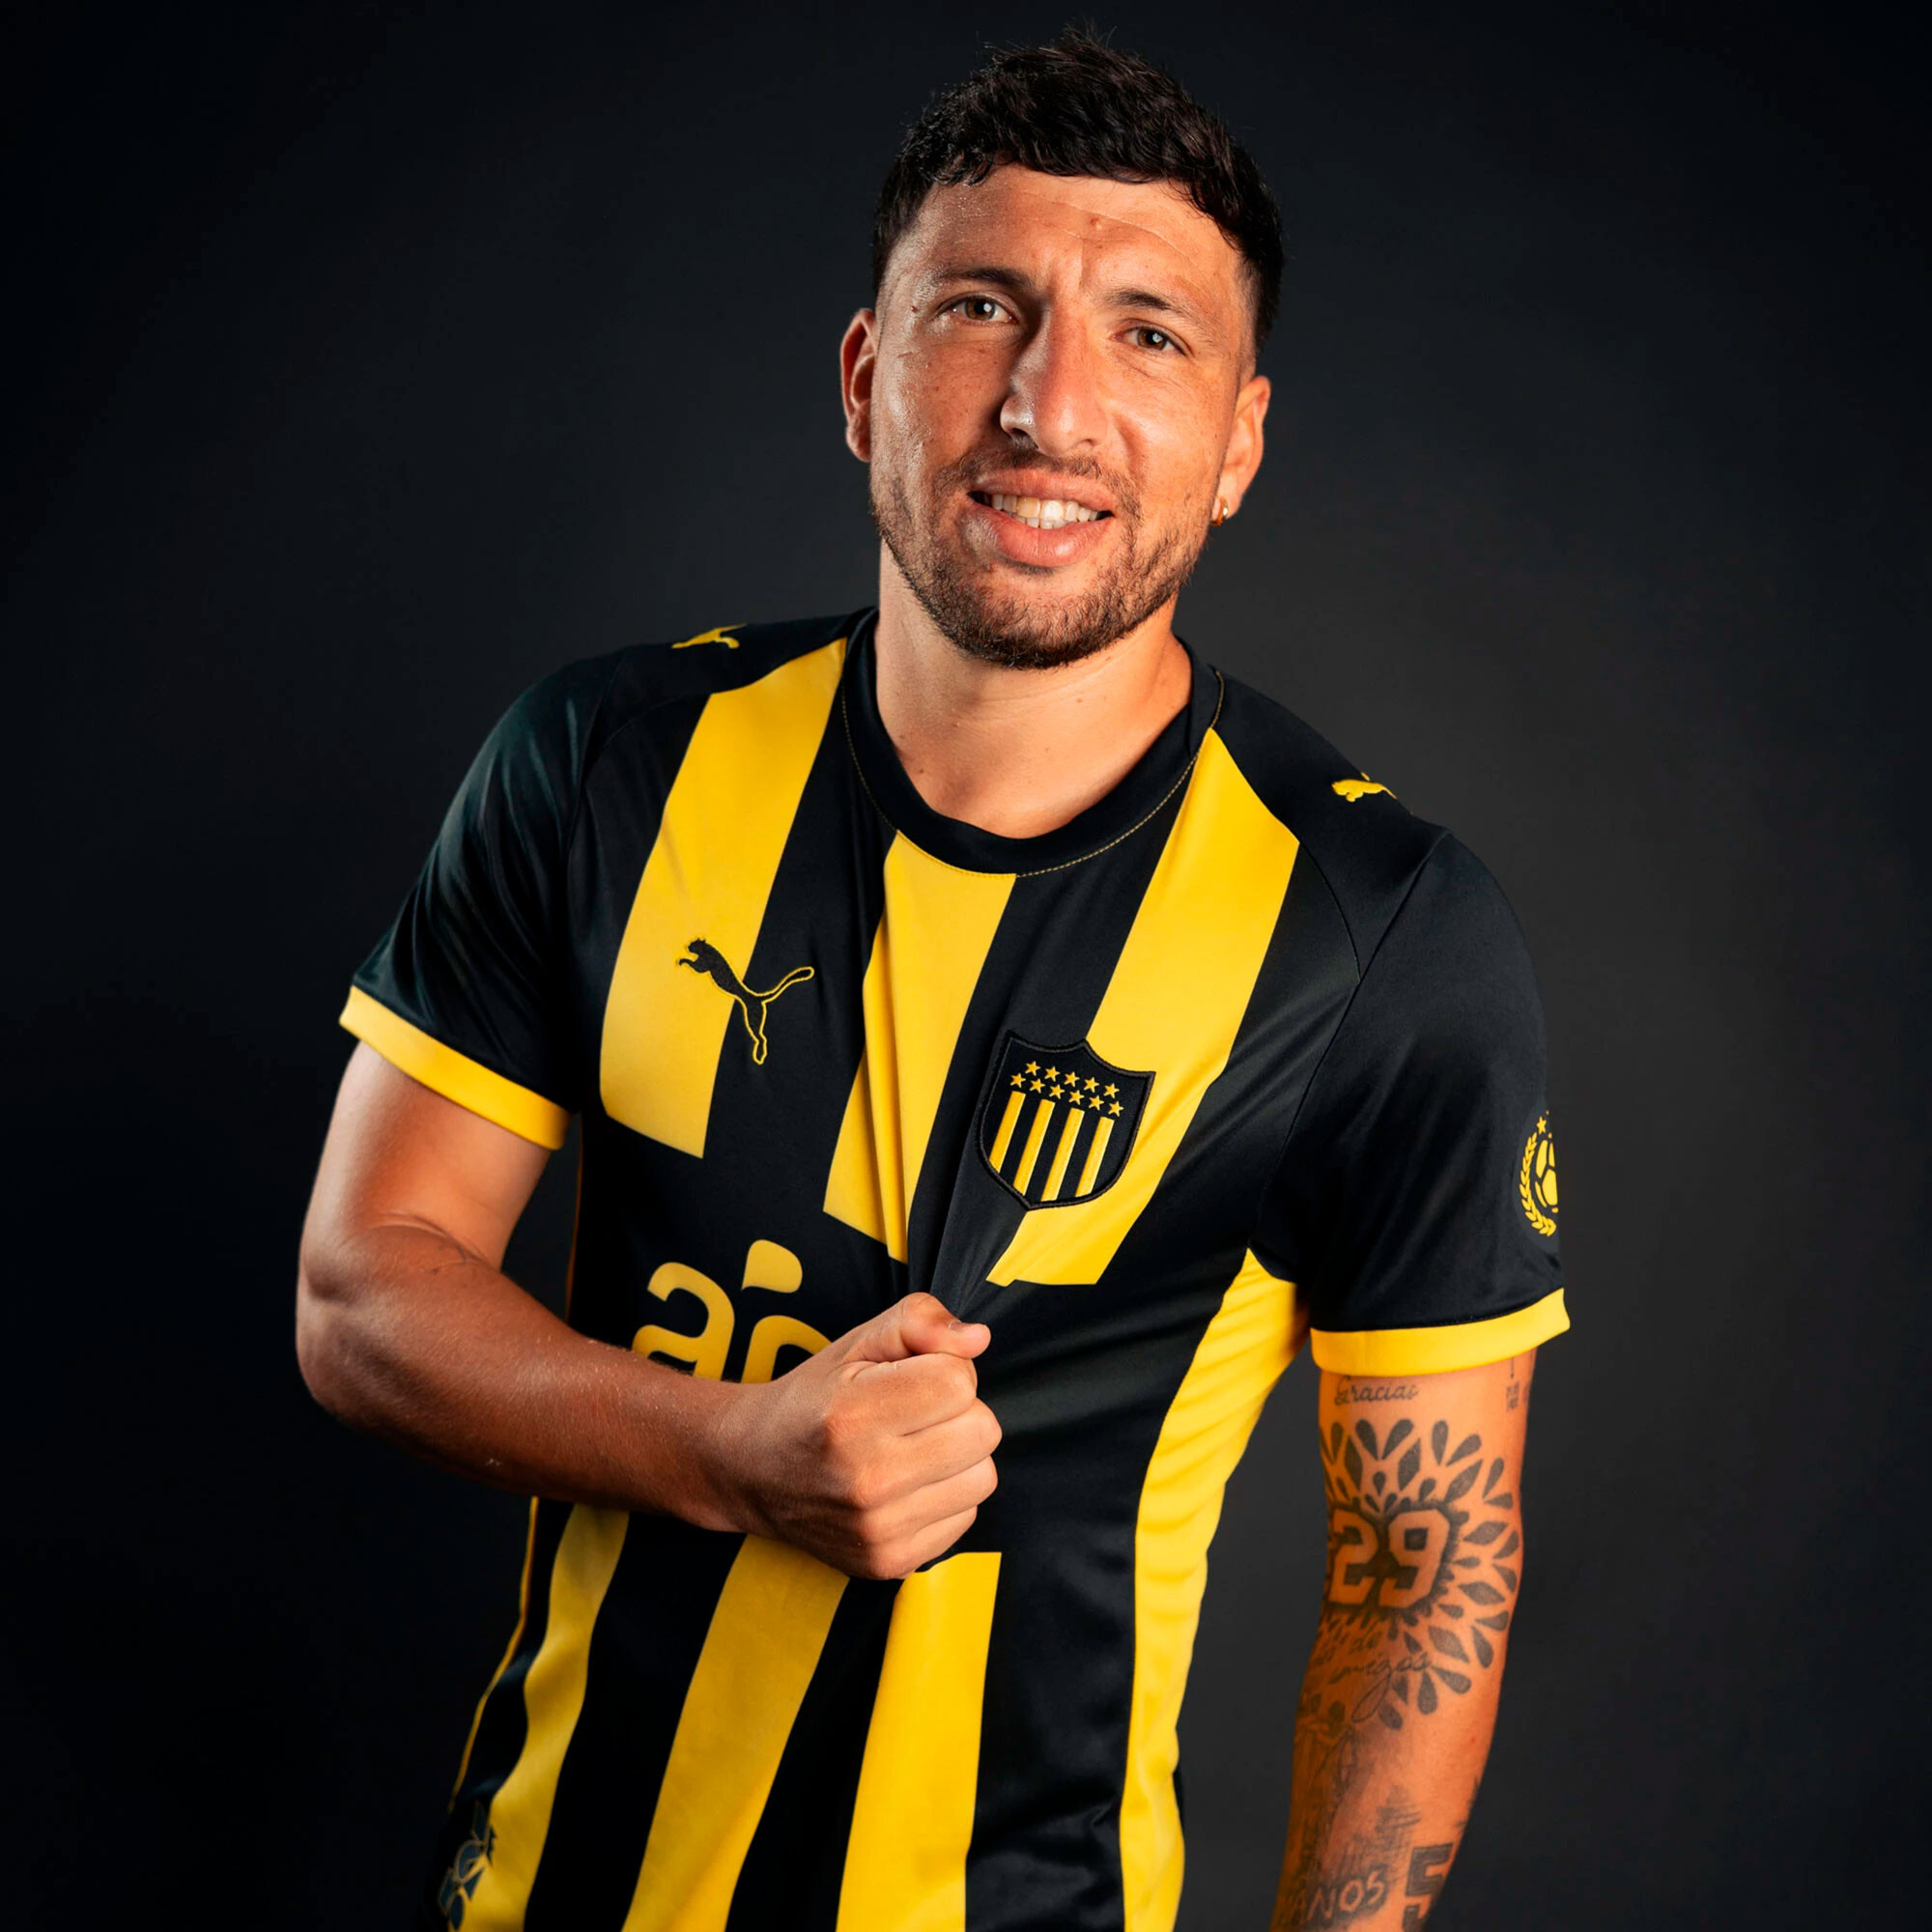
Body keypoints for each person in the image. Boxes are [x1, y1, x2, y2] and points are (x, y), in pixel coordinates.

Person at [297, 30, 1569, 1932]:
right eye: (983, 307)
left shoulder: (1382, 932)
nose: (1051, 405)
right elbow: (360, 1291)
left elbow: (1422, 1575)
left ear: (1238, 443)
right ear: (864, 375)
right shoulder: (607, 761)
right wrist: (733, 1453)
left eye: (1149, 334)